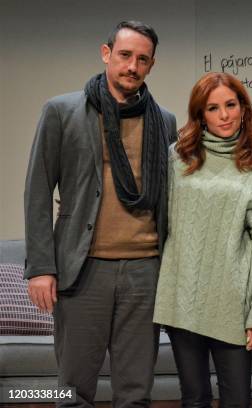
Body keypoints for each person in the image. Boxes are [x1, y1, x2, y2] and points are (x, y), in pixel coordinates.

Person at [23, 21, 177, 407]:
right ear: (106, 54)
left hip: (146, 270)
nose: (132, 66)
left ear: (151, 65)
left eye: (142, 59)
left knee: (136, 392)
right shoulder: (62, 111)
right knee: (72, 390)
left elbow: (172, 201)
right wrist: (41, 267)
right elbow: (38, 191)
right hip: (83, 268)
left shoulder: (165, 121)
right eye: (125, 55)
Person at [153, 72, 252, 408]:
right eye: (213, 108)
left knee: (237, 398)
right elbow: (160, 223)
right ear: (200, 114)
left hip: (232, 301)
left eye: (231, 105)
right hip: (184, 297)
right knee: (194, 398)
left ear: (243, 107)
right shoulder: (176, 157)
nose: (224, 115)